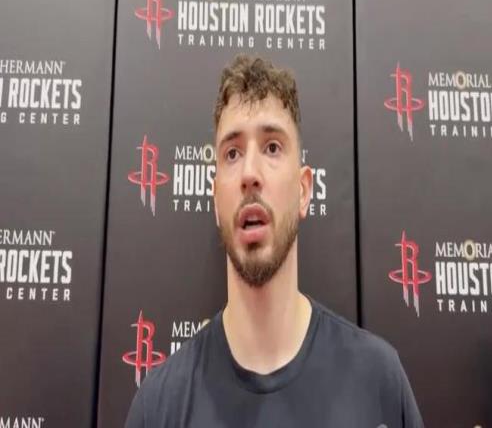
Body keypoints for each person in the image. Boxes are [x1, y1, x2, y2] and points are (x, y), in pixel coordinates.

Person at [125, 54, 424, 428]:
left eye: (271, 147)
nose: (250, 173)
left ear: (304, 190)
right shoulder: (159, 407)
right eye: (232, 153)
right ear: (215, 199)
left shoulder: (378, 381)